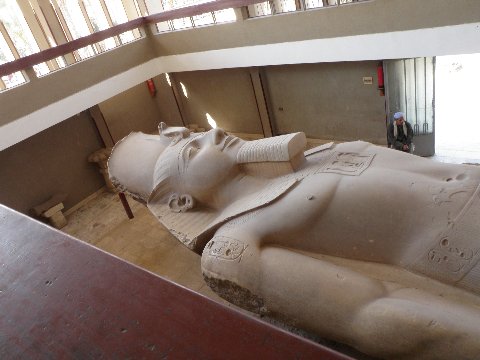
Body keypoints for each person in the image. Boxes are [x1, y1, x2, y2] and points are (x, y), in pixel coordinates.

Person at [108, 123, 480, 360]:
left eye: (194, 132)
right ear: (181, 201)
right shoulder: (235, 246)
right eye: (191, 151)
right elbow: (370, 310)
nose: (213, 133)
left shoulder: (312, 156)